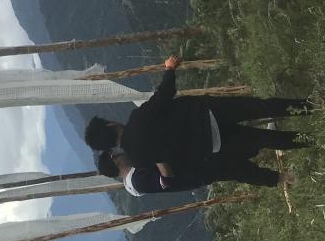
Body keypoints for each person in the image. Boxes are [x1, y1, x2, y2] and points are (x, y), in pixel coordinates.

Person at [84, 56, 310, 188]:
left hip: (212, 145)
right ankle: (310, 106)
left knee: (265, 139)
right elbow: (165, 94)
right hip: (208, 113)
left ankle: (310, 139)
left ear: (110, 146)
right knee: (260, 107)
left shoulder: (138, 160)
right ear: (110, 125)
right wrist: (170, 68)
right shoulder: (137, 119)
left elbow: (169, 173)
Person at [97, 144, 295, 195]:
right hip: (195, 172)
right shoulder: (137, 181)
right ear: (115, 160)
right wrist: (157, 156)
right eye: (115, 153)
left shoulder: (134, 177)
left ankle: (267, 144)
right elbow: (166, 180)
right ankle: (285, 177)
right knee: (238, 170)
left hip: (195, 168)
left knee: (233, 158)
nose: (120, 152)